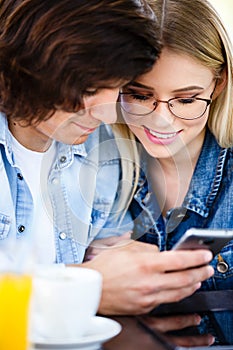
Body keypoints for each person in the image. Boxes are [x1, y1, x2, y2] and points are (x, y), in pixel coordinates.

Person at [0, 0, 214, 315]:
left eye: (117, 87)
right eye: (88, 88)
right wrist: (85, 287)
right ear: (28, 67)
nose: (106, 113)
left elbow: (110, 257)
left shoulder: (101, 152)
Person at [118, 0, 233, 293]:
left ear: (218, 84)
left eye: (185, 100)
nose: (161, 120)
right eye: (140, 96)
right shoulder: (90, 168)